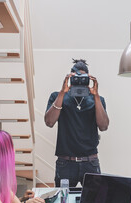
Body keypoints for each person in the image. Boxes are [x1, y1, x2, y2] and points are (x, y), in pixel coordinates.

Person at [44, 59, 109, 187]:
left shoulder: (98, 100)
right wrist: (62, 93)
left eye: (83, 79)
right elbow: (49, 122)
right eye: (76, 78)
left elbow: (103, 126)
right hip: (65, 163)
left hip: (90, 162)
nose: (80, 81)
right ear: (70, 78)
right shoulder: (57, 97)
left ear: (89, 79)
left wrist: (96, 96)